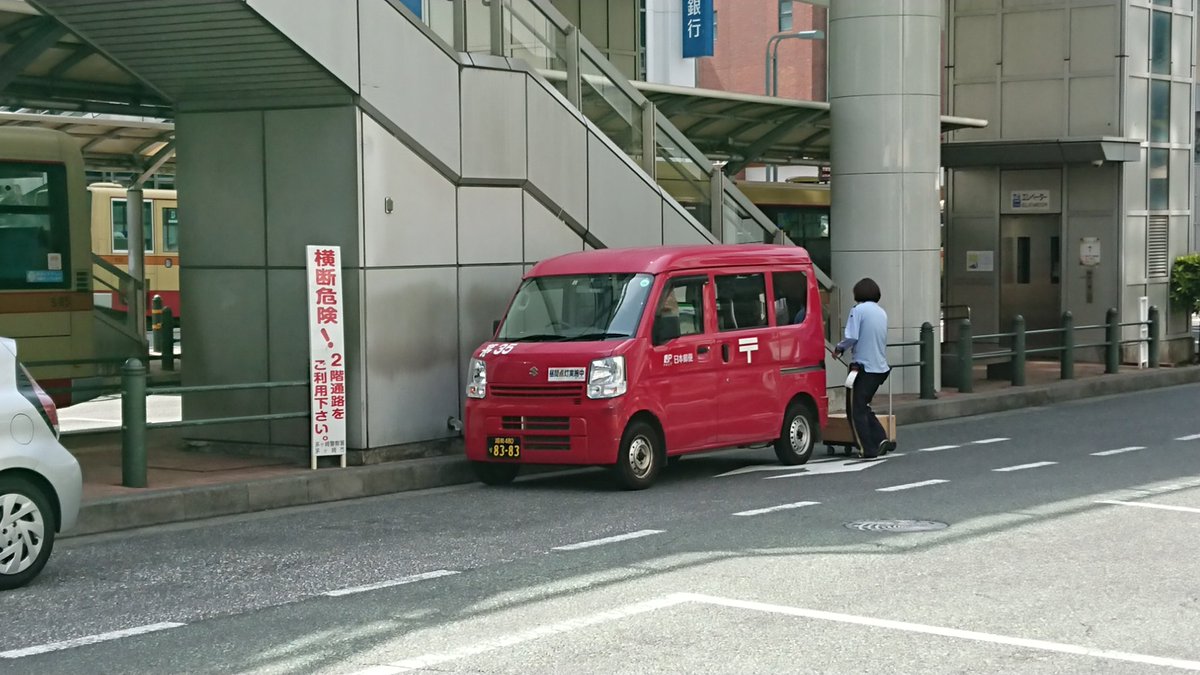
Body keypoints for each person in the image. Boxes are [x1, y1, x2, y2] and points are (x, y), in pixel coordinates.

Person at [833, 277, 894, 459]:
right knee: (863, 406)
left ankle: (866, 448)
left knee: (855, 410)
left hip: (863, 367)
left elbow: (852, 336)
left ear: (858, 294)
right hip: (880, 368)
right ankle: (881, 438)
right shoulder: (881, 312)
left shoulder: (857, 310)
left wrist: (839, 348)